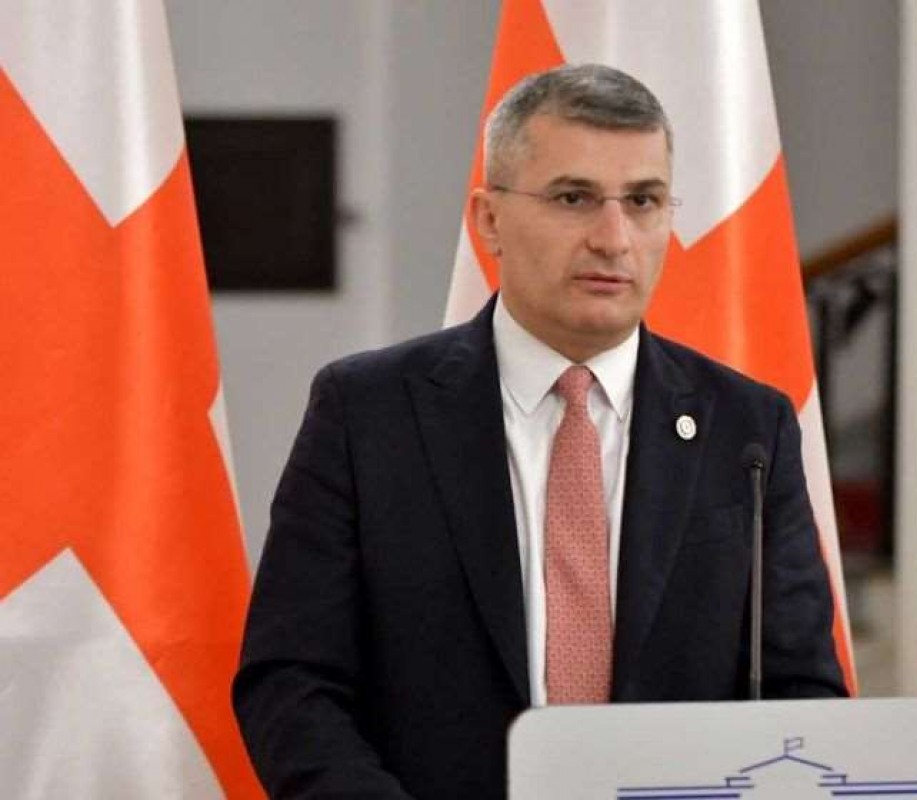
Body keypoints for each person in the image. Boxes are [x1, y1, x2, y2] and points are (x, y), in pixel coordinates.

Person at [233, 63, 846, 800]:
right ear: (489, 219)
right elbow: (292, 681)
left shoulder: (747, 428)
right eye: (573, 198)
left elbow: (802, 690)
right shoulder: (367, 413)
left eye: (643, 201)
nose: (614, 239)